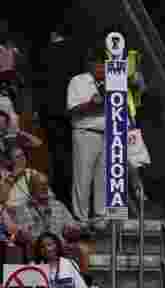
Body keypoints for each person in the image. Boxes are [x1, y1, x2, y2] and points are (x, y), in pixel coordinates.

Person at [66, 48, 109, 224]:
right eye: (99, 64)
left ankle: (100, 217)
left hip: (108, 135)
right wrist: (91, 104)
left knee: (103, 178)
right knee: (83, 178)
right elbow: (72, 109)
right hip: (86, 133)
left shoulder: (112, 82)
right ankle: (81, 219)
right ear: (92, 64)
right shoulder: (78, 81)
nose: (102, 68)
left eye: (105, 65)